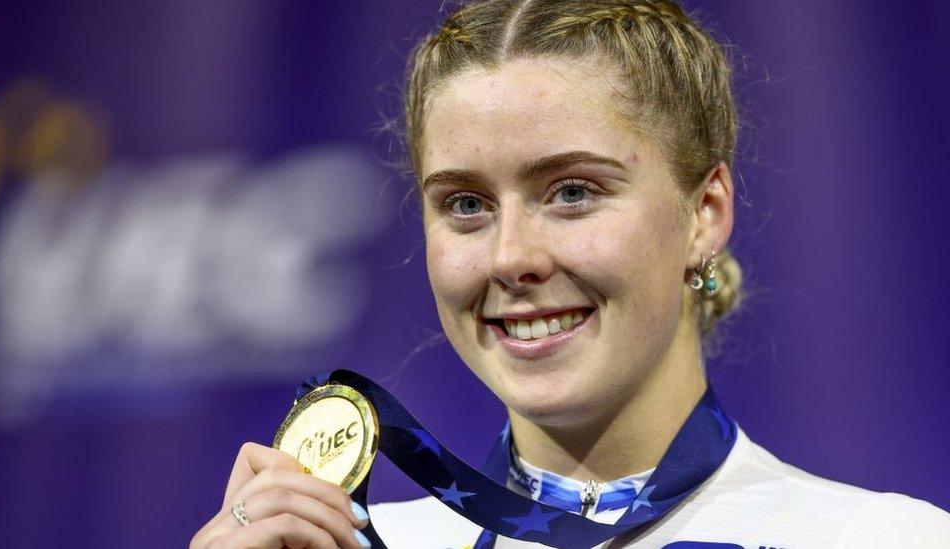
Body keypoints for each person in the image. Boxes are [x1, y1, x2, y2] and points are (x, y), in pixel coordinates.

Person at [191, 1, 950, 547]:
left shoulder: (882, 538)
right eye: (465, 203)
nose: (512, 256)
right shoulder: (353, 546)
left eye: (573, 191)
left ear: (705, 212)